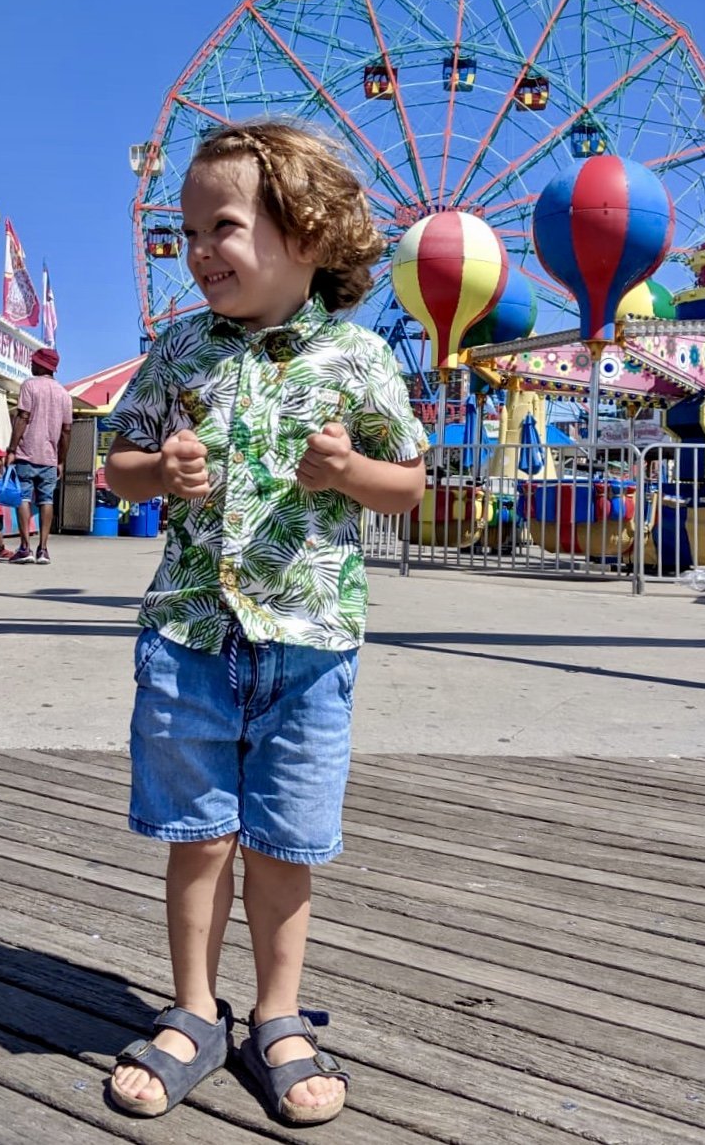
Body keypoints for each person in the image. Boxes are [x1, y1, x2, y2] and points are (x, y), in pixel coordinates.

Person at [104, 119, 427, 1127]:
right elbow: (117, 460)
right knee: (197, 836)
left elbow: (409, 487)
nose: (198, 249)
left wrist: (349, 473)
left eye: (223, 226)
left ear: (309, 232)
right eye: (186, 231)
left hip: (308, 638)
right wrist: (159, 472)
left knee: (284, 841)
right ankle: (195, 1008)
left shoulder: (360, 357)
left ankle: (278, 1013)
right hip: (192, 630)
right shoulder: (181, 345)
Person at [5, 346, 73, 564]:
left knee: (23, 498)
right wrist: (61, 460)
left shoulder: (30, 386)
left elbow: (22, 417)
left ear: (41, 365)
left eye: (33, 362)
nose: (31, 365)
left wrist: (12, 449)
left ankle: (25, 548)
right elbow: (66, 430)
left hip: (26, 453)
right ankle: (43, 549)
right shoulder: (64, 394)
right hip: (50, 458)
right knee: (46, 500)